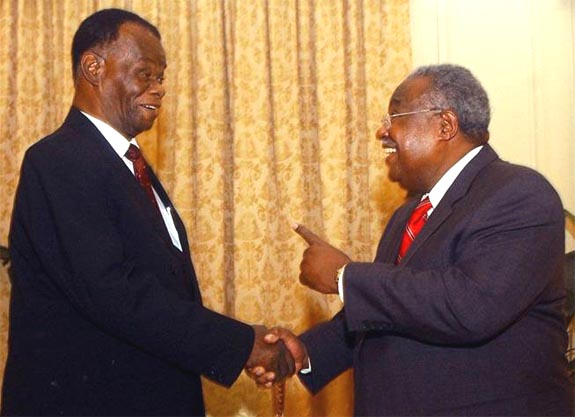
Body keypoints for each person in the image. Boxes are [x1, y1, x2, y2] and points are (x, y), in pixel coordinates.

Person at [2, 8, 294, 416]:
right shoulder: (58, 160)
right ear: (94, 67)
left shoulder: (129, 165)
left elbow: (163, 294)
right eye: (145, 73)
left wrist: (244, 343)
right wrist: (242, 345)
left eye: (161, 77)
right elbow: (115, 293)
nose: (158, 89)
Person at [253, 64, 575, 415]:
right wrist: (305, 351)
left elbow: (470, 305)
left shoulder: (520, 193)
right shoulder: (407, 216)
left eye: (395, 116)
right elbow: (389, 311)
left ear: (445, 126)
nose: (382, 131)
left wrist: (343, 276)